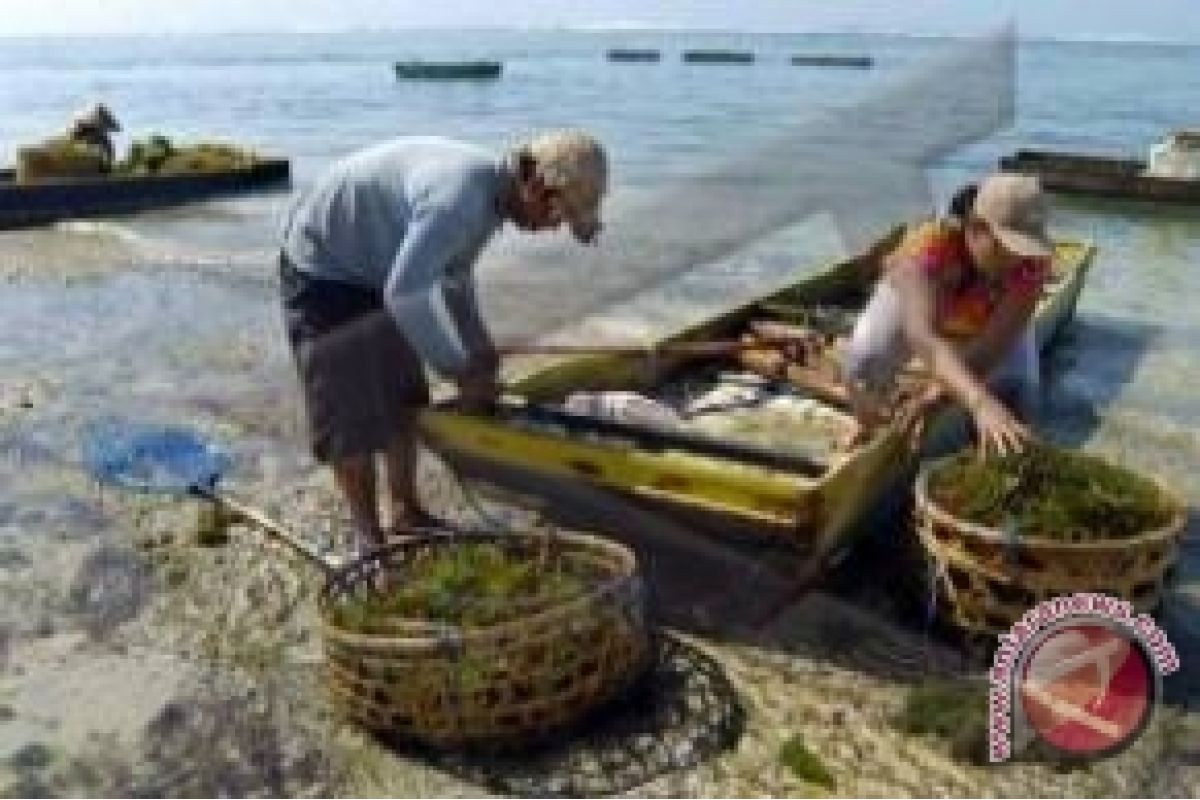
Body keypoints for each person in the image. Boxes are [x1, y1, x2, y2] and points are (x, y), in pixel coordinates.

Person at [278, 131, 608, 557]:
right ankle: (369, 539)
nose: (553, 228)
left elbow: (454, 276)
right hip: (322, 263)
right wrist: (458, 370)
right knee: (348, 420)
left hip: (380, 266)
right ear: (535, 186)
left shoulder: (492, 198)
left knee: (402, 393)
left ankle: (406, 511)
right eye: (558, 216)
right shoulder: (460, 200)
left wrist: (479, 348)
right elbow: (405, 294)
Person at [841, 173, 1055, 456]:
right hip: (922, 308)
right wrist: (979, 402)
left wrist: (939, 397)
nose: (1015, 259)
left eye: (1023, 249)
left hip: (985, 313)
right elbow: (922, 337)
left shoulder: (1032, 263)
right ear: (975, 229)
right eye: (1006, 247)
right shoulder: (926, 248)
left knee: (1020, 392)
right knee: (864, 364)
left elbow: (992, 347)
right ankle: (869, 428)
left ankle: (991, 458)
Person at [65, 103, 121, 170]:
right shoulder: (90, 118)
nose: (101, 118)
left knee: (108, 147)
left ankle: (106, 166)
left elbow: (118, 128)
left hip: (99, 139)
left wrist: (108, 126)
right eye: (100, 114)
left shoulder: (107, 119)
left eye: (102, 114)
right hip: (88, 138)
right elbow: (77, 129)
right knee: (99, 146)